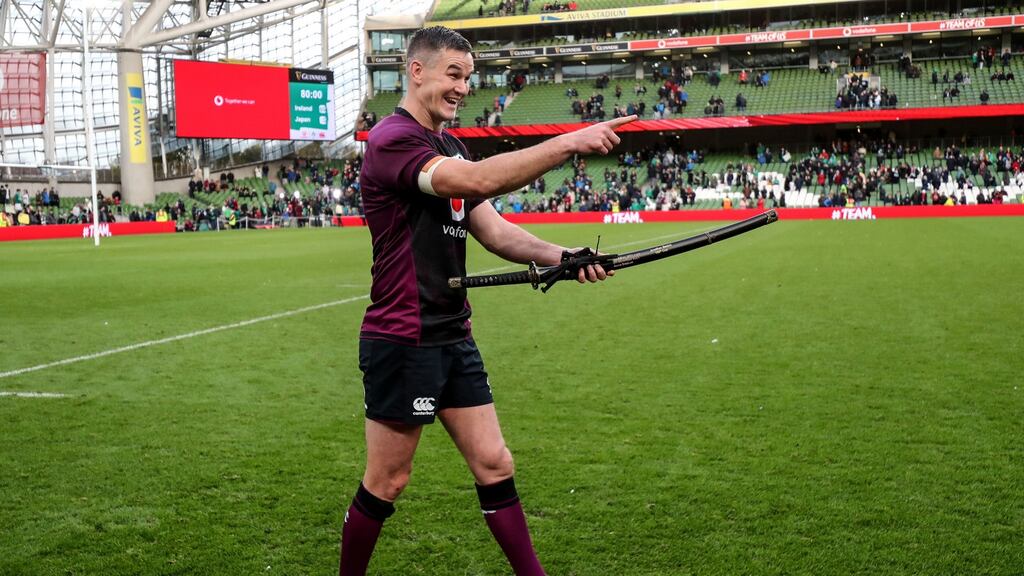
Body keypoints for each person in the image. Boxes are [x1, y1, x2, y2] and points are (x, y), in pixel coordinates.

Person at [341, 26, 633, 576]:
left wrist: (562, 256)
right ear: (417, 71)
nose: (462, 89)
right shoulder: (392, 140)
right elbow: (473, 184)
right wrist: (569, 141)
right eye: (453, 74)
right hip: (405, 336)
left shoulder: (449, 144)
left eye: (468, 78)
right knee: (389, 480)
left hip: (452, 332)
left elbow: (496, 233)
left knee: (494, 463)